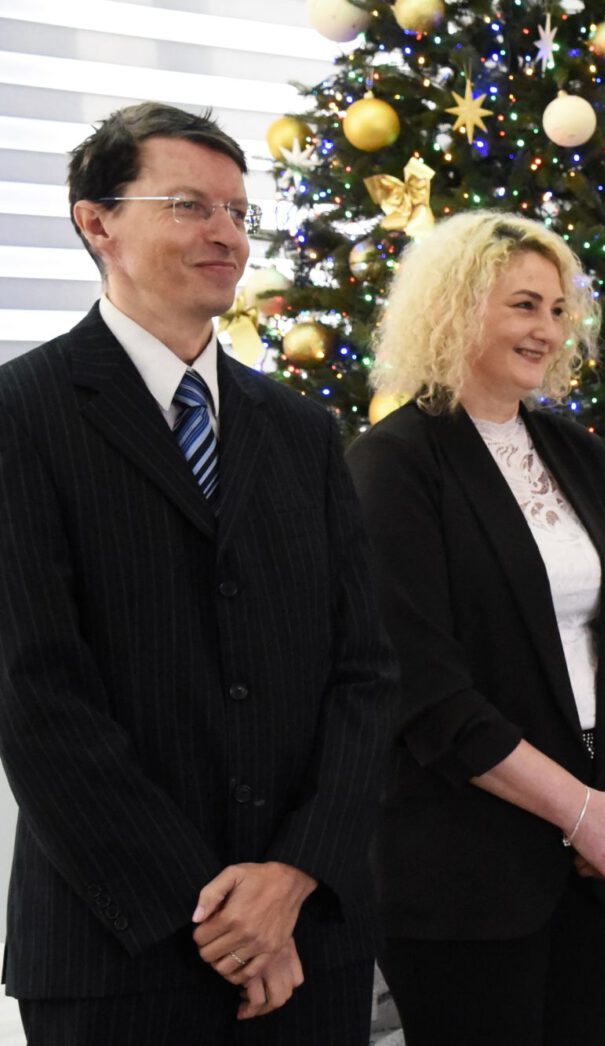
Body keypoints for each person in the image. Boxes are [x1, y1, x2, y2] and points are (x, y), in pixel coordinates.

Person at [0, 102, 395, 1043]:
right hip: (119, 946)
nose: (227, 234)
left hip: (311, 937)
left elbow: (365, 674)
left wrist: (292, 878)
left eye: (239, 212)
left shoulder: (302, 431)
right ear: (98, 222)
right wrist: (223, 921)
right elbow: (36, 696)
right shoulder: (21, 415)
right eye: (190, 205)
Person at [346, 211, 605, 1046]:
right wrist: (581, 812)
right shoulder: (392, 464)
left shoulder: (576, 454)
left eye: (559, 310)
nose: (548, 330)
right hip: (464, 861)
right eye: (524, 305)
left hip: (596, 855)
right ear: (455, 308)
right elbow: (425, 691)